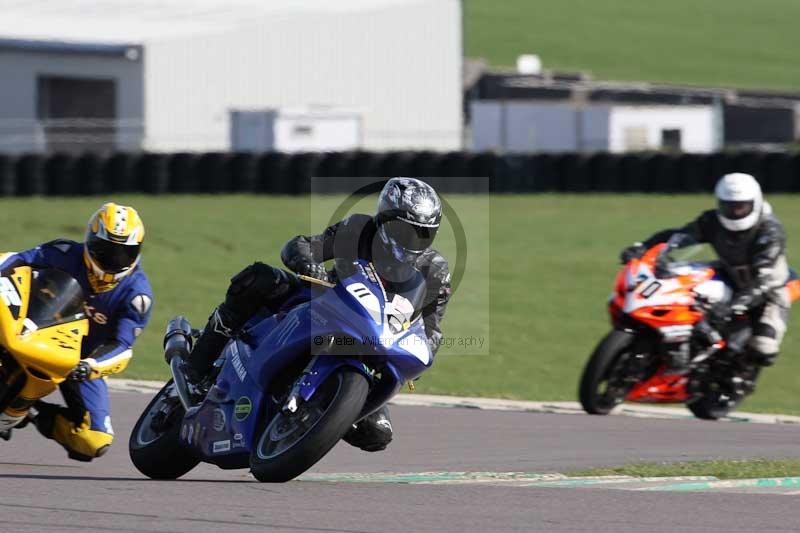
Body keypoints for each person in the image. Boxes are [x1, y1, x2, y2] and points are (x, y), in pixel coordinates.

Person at [183, 177, 451, 452]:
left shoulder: (435, 270)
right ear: (384, 219)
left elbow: (432, 328)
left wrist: (417, 356)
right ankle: (198, 365)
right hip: (326, 303)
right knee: (258, 279)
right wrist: (311, 267)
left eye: (422, 233)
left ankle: (312, 419)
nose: (413, 240)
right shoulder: (358, 229)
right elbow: (303, 245)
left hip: (375, 341)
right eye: (405, 230)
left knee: (377, 434)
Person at [0, 203, 153, 461]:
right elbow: (16, 260)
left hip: (77, 362)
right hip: (30, 331)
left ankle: (34, 411)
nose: (114, 261)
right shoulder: (63, 252)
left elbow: (122, 346)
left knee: (94, 441)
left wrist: (90, 366)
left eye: (124, 253)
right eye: (106, 251)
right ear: (91, 242)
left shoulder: (137, 296)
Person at [621, 173, 790, 373]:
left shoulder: (769, 232)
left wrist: (732, 307)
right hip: (728, 274)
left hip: (768, 291)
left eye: (741, 206)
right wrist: (643, 247)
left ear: (756, 202)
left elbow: (763, 280)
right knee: (685, 292)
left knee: (764, 349)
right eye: (729, 206)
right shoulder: (712, 221)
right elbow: (679, 237)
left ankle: (734, 375)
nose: (735, 212)